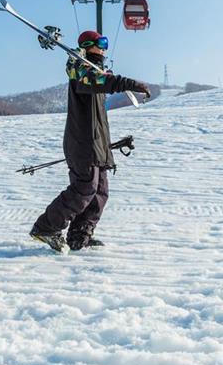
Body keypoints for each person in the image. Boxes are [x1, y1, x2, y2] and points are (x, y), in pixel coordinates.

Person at [29, 30, 151, 253]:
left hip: (97, 144)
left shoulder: (92, 72)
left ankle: (79, 236)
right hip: (82, 142)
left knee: (100, 192)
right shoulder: (82, 73)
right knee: (85, 188)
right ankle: (46, 228)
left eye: (105, 42)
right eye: (100, 42)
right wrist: (129, 83)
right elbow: (98, 80)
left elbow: (101, 82)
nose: (104, 47)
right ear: (88, 45)